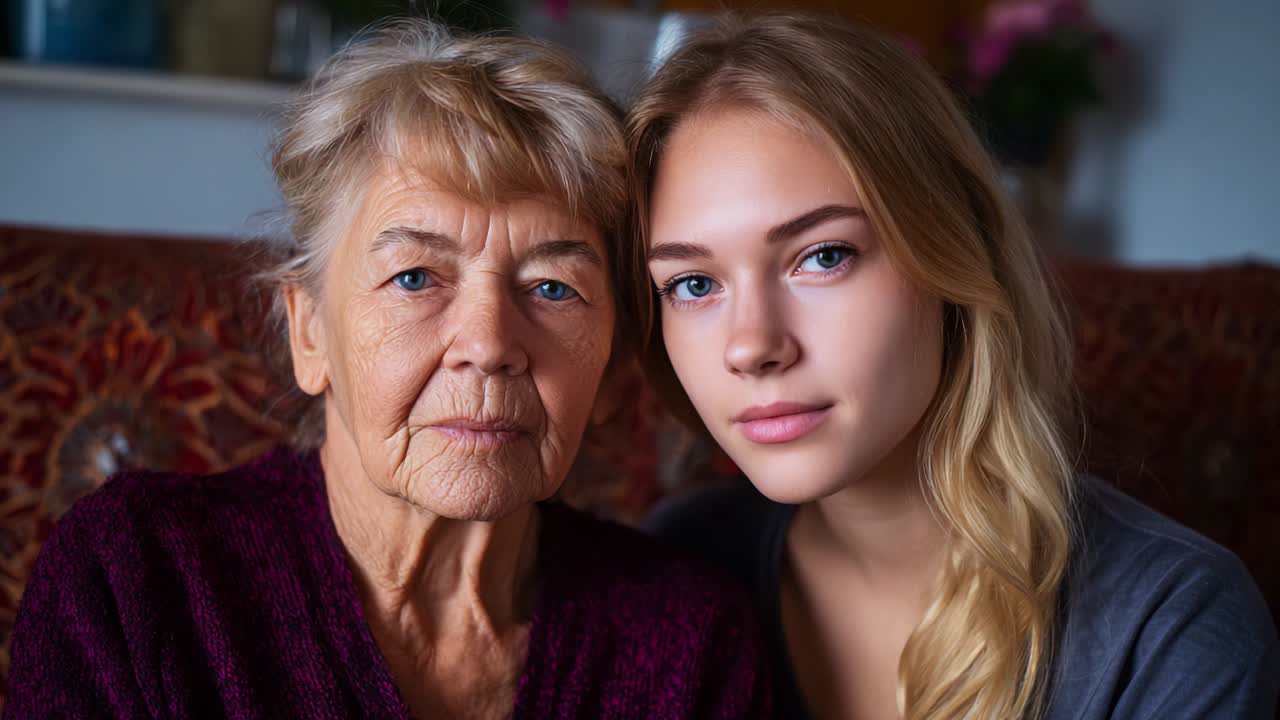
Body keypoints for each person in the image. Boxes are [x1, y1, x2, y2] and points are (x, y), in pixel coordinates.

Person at [5, 20, 770, 719]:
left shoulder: (689, 641)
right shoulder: (140, 579)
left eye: (552, 287)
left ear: (610, 369)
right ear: (309, 332)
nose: (488, 342)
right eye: (415, 277)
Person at [626, 13, 1278, 720]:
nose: (751, 345)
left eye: (824, 256)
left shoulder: (1167, 627)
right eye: (693, 284)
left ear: (953, 257)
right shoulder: (675, 567)